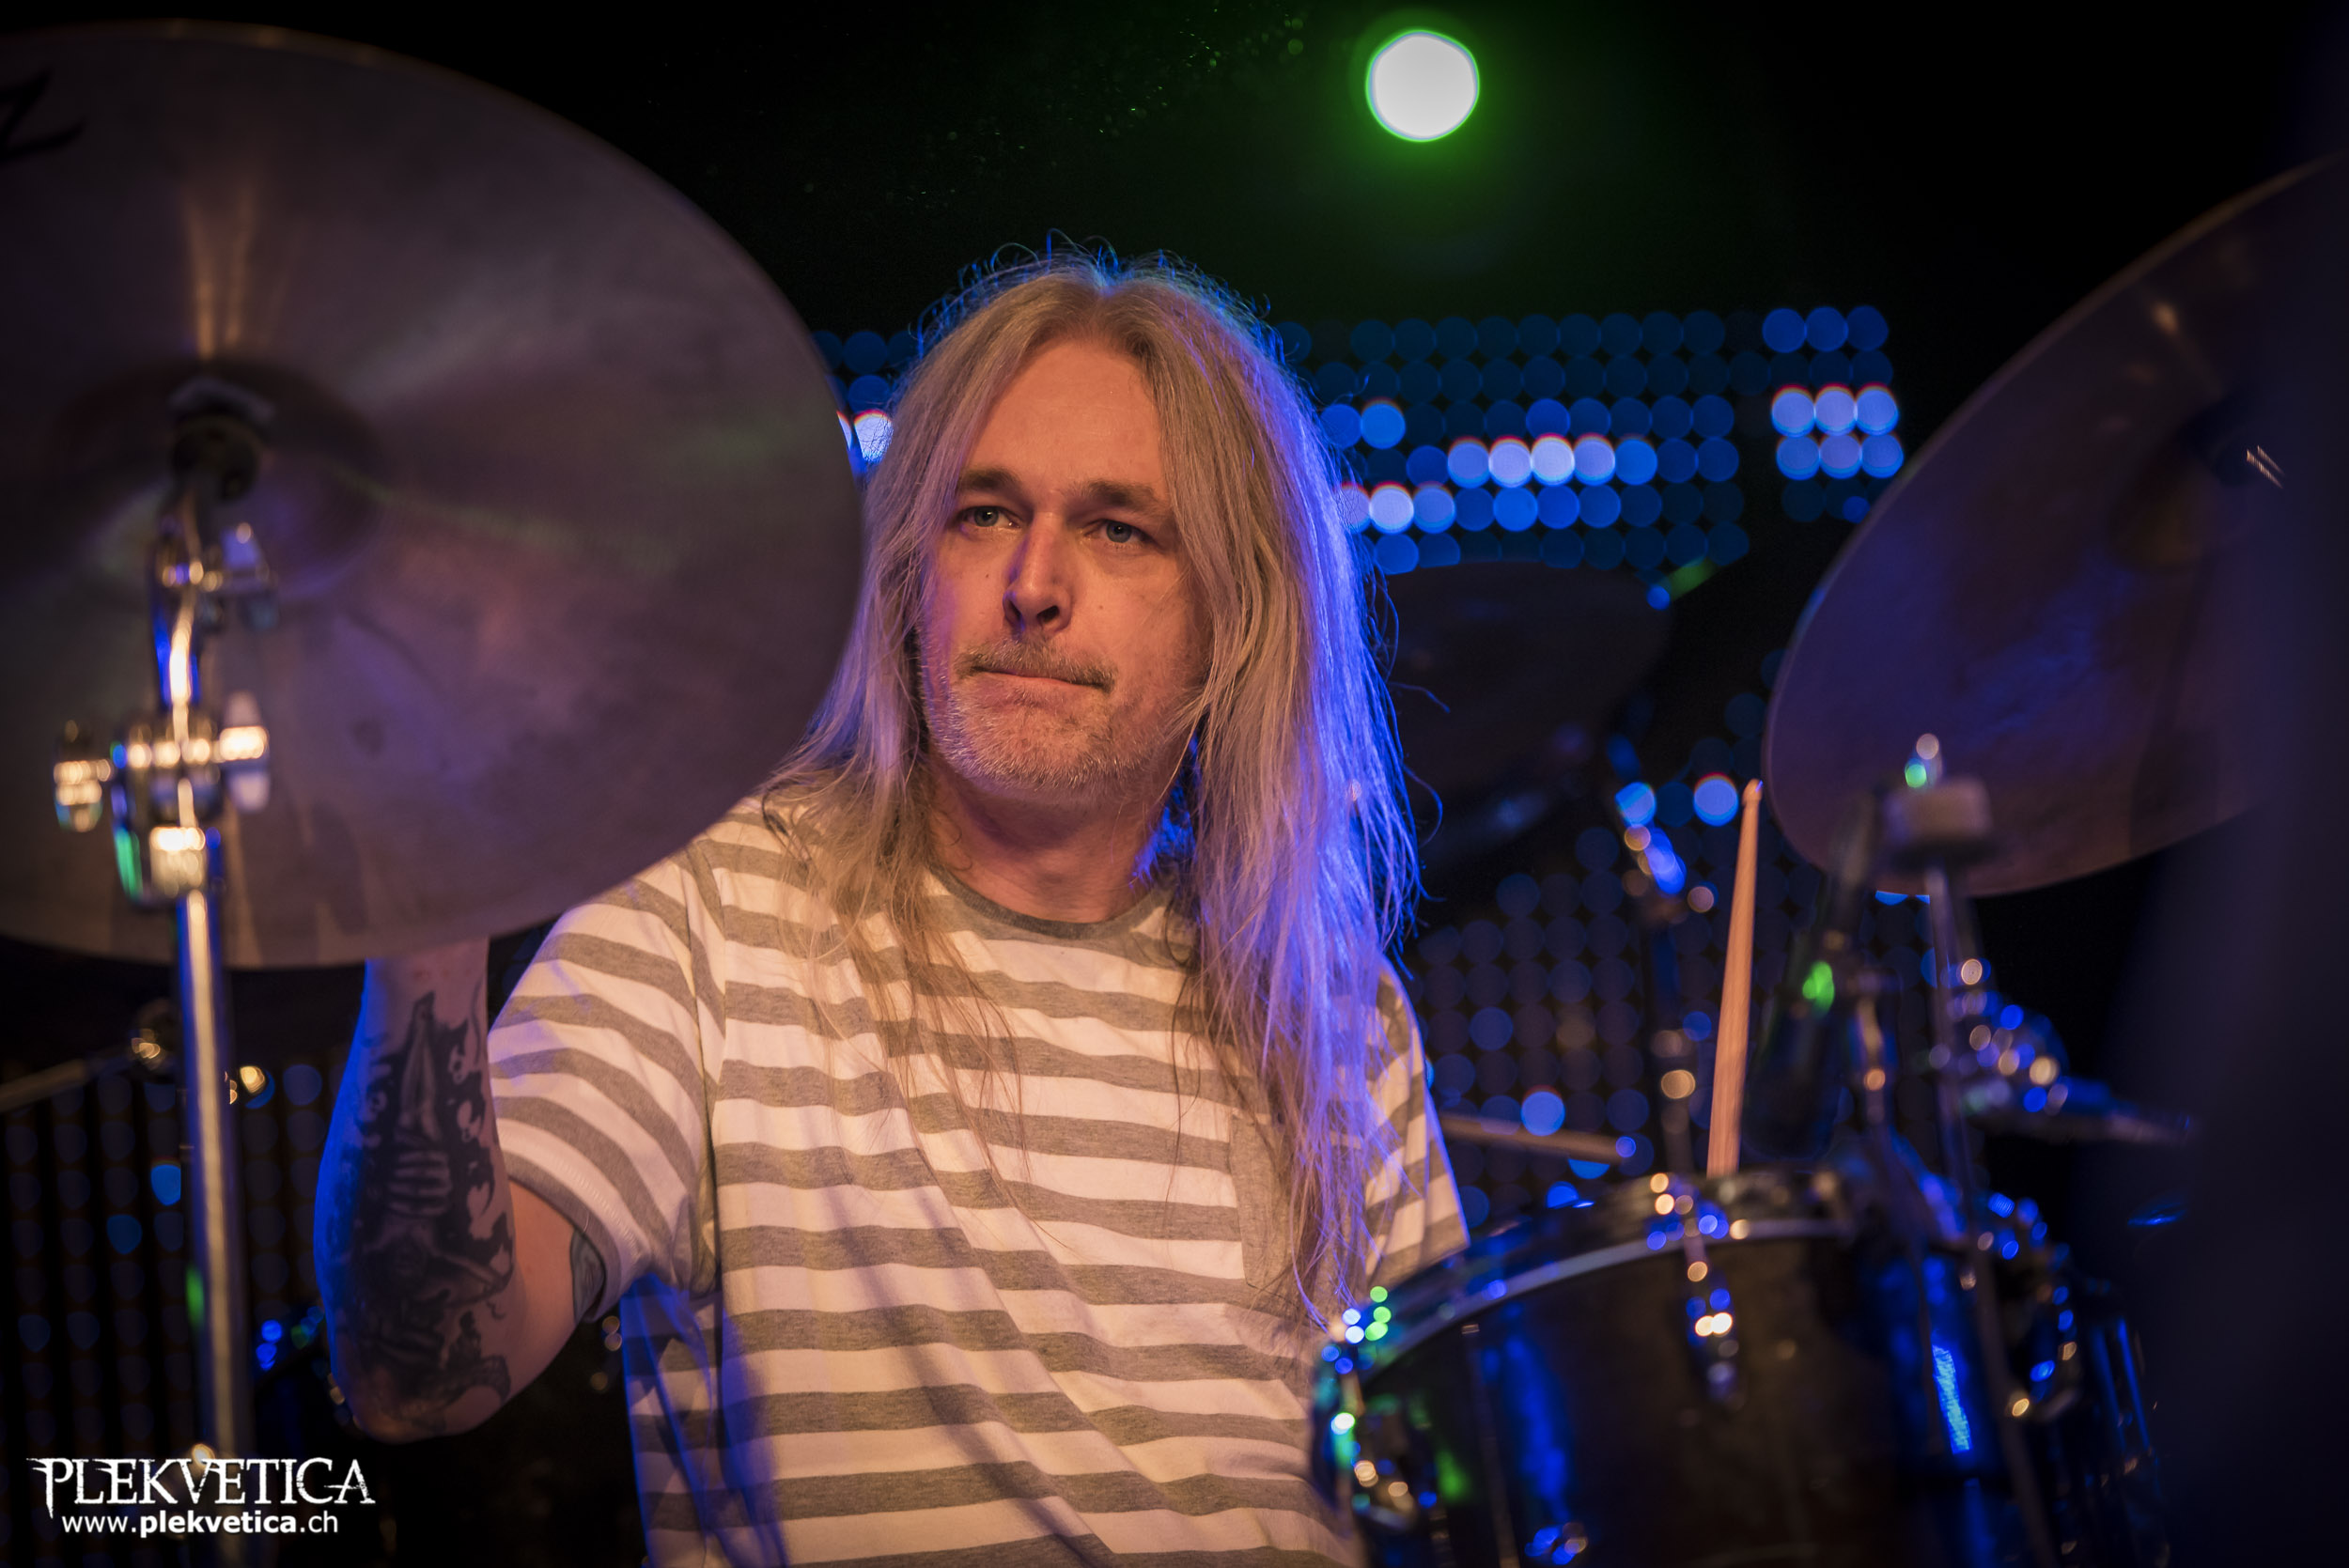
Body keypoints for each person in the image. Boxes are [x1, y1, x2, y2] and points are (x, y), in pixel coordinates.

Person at [315, 255, 1464, 1565]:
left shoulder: (1333, 1004)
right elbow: (421, 1373)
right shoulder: (712, 903)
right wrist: (426, 934)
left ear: (1237, 615)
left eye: (1119, 529)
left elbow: (1453, 1493)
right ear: (910, 569)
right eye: (984, 513)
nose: (1033, 583)